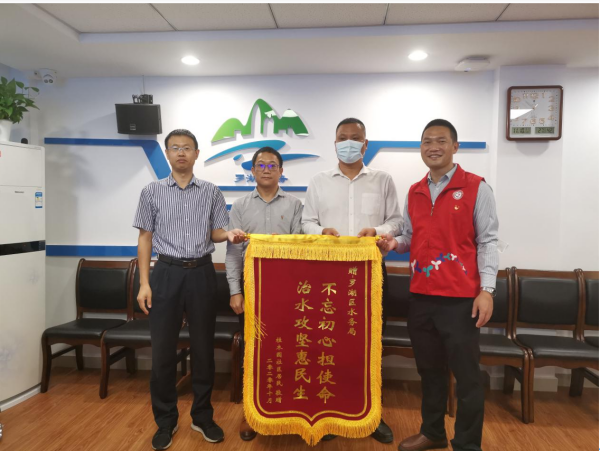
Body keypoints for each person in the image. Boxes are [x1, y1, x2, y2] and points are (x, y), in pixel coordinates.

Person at [377, 119, 499, 451]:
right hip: (421, 296)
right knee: (429, 371)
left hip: (461, 299)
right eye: (427, 141)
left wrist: (487, 290)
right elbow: (410, 237)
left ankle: (467, 444)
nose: (434, 147)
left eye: (441, 141)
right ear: (421, 148)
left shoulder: (476, 187)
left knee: (467, 377)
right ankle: (432, 433)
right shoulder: (415, 191)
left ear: (455, 146)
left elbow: (488, 241)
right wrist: (393, 244)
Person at [133, 129, 246, 450]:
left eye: (187, 148)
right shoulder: (151, 191)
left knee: (203, 349)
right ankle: (165, 420)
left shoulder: (210, 191)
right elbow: (145, 238)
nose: (181, 153)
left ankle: (202, 416)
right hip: (165, 273)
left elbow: (216, 232)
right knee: (163, 351)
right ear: (167, 154)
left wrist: (229, 234)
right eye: (175, 148)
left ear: (196, 154)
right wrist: (144, 283)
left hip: (202, 273)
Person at [302, 117, 403, 444]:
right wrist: (321, 232)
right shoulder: (318, 181)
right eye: (343, 138)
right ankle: (332, 411)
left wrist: (378, 231)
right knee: (329, 342)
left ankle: (372, 413)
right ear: (335, 144)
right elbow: (306, 222)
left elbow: (397, 222)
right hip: (327, 275)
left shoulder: (383, 180)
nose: (349, 143)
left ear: (365, 143)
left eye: (355, 137)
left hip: (369, 273)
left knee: (370, 343)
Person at [225, 146, 303, 441]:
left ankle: (290, 409)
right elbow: (233, 253)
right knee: (253, 350)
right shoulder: (240, 206)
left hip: (288, 290)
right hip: (252, 289)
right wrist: (235, 291)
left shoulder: (295, 205)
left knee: (290, 349)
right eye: (261, 165)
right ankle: (251, 412)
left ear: (281, 171)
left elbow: (302, 249)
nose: (267, 169)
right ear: (252, 170)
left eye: (272, 165)